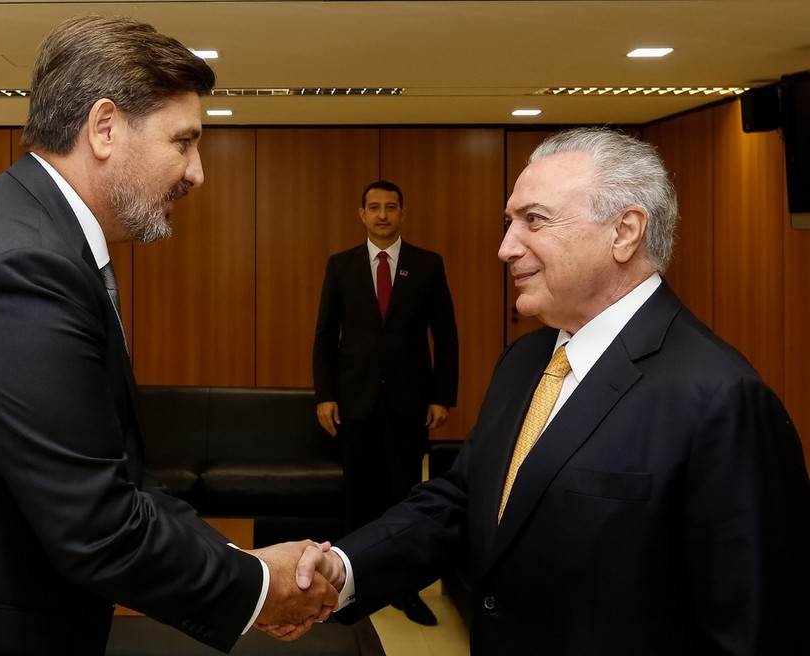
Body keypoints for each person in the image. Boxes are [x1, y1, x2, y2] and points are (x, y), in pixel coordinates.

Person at [0, 15, 336, 656]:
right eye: (183, 142)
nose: (197, 172)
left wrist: (239, 560)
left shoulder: (26, 232)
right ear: (104, 128)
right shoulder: (22, 265)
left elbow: (104, 478)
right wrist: (260, 585)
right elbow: (99, 526)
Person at [292, 127, 810, 653]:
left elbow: (754, 629)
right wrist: (342, 567)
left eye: (533, 221)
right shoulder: (525, 361)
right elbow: (462, 499)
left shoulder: (722, 399)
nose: (505, 248)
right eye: (508, 223)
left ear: (624, 231)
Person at [312, 180, 458, 626]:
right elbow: (324, 336)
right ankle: (348, 592)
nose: (381, 215)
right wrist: (325, 395)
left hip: (408, 402)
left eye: (390, 207)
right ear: (361, 214)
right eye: (373, 207)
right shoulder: (341, 266)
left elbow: (446, 336)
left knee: (404, 498)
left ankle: (405, 590)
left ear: (402, 212)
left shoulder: (428, 265)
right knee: (358, 496)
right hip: (354, 401)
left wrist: (442, 396)